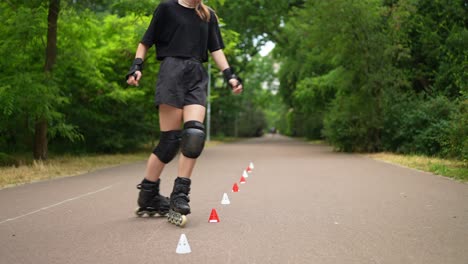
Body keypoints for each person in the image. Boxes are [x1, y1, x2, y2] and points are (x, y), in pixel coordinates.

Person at [125, 0, 243, 226]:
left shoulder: (208, 15)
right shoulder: (167, 8)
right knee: (170, 142)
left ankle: (179, 195)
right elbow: (145, 41)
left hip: (196, 75)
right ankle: (148, 193)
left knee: (194, 136)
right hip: (171, 72)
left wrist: (230, 75)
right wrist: (136, 67)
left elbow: (216, 49)